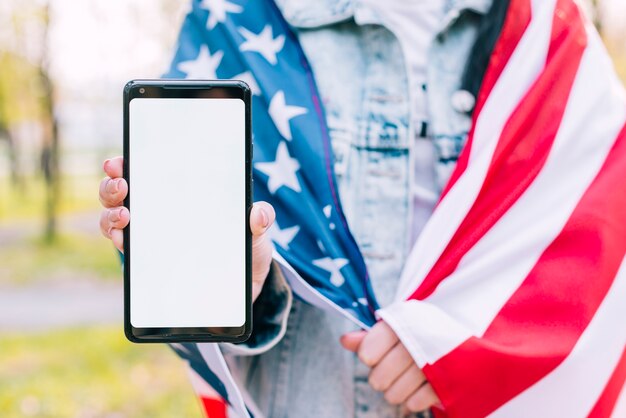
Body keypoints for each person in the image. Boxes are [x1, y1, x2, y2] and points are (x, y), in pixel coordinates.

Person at [99, 0, 626, 416]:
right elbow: (191, 245)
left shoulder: (546, 32)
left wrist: (457, 343)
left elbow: (595, 230)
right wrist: (237, 282)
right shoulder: (236, 19)